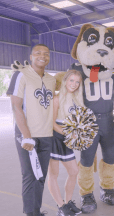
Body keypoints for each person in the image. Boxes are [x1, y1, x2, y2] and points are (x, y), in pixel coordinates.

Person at [7, 44, 56, 216]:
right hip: (28, 136)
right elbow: (16, 106)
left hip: (46, 135)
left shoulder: (51, 79)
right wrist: (26, 136)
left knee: (40, 176)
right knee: (29, 176)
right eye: (38, 53)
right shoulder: (21, 75)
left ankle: (35, 210)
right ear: (31, 55)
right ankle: (30, 213)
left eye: (46, 54)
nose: (42, 56)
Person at [47, 70, 85, 216]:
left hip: (68, 139)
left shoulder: (77, 99)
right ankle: (61, 206)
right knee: (54, 174)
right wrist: (68, 133)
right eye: (71, 80)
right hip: (55, 138)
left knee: (74, 171)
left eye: (77, 82)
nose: (74, 84)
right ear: (65, 81)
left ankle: (68, 202)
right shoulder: (56, 99)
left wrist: (79, 133)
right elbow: (51, 122)